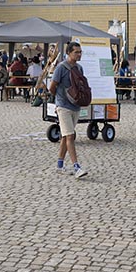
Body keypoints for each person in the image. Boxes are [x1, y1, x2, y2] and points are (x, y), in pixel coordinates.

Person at [48, 42, 88, 179]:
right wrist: (60, 99)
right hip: (63, 106)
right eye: (76, 52)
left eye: (80, 52)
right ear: (69, 53)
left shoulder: (79, 68)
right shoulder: (61, 68)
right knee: (71, 136)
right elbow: (52, 87)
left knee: (66, 136)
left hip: (75, 106)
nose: (79, 54)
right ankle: (76, 166)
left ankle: (59, 165)